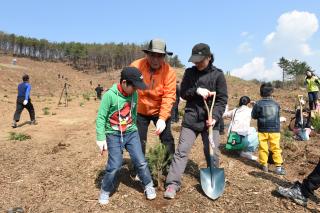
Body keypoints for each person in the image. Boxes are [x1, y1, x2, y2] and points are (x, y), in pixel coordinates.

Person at [164, 43, 228, 199]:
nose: (196, 63)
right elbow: (184, 93)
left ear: (209, 57)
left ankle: (213, 179)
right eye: (195, 60)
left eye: (200, 60)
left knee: (211, 153)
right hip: (191, 119)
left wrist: (215, 117)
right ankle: (172, 184)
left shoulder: (218, 75)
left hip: (211, 121)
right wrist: (197, 90)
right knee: (181, 151)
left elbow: (222, 99)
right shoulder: (190, 73)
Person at [95, 67, 156, 205]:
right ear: (124, 82)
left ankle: (148, 185)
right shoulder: (109, 96)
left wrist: (132, 127)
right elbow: (101, 118)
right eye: (134, 86)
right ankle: (105, 190)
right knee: (115, 164)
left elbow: (133, 113)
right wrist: (100, 137)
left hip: (130, 132)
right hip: (113, 134)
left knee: (140, 161)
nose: (136, 89)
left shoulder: (134, 94)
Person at [130, 38, 176, 155]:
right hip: (140, 111)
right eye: (152, 55)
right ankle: (140, 169)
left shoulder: (169, 72)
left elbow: (169, 96)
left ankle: (168, 168)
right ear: (147, 54)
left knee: (167, 139)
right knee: (138, 140)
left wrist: (162, 118)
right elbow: (128, 89)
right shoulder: (136, 66)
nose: (155, 60)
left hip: (159, 110)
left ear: (164, 56)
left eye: (159, 56)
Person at [252, 83, 285, 175]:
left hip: (262, 129)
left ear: (261, 93)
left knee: (263, 148)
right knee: (276, 148)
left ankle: (264, 165)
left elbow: (254, 116)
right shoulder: (276, 104)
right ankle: (278, 167)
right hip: (275, 130)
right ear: (271, 92)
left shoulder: (258, 104)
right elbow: (278, 116)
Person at [223, 96, 258, 160]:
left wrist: (226, 107)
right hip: (240, 141)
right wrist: (254, 104)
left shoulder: (235, 110)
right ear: (248, 104)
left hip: (231, 140)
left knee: (252, 129)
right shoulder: (250, 111)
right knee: (258, 134)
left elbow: (224, 115)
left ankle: (237, 149)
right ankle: (248, 152)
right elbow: (258, 111)